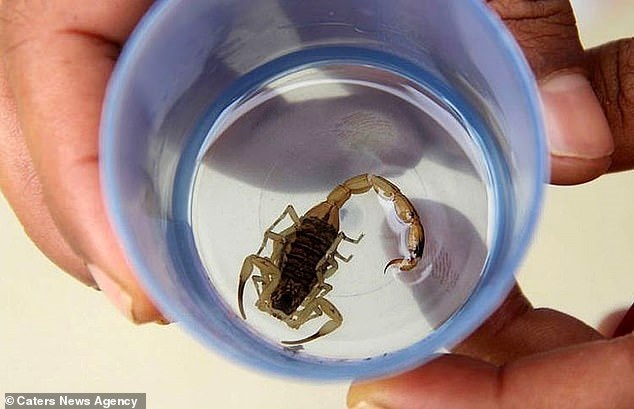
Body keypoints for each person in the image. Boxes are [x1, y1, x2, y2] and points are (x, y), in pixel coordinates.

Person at [0, 1, 631, 407]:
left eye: (281, 303)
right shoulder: (298, 286)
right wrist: (293, 313)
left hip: (320, 226)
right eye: (282, 303)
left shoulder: (286, 273)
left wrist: (277, 309)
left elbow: (271, 253)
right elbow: (282, 264)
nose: (284, 301)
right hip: (320, 232)